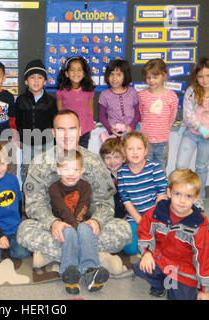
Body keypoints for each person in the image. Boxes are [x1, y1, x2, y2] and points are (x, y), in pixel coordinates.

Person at [17, 110, 132, 275]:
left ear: (79, 131)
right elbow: (34, 205)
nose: (66, 135)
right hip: (57, 228)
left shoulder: (94, 162)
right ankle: (97, 257)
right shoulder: (40, 163)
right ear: (53, 132)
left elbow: (105, 202)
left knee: (124, 229)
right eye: (61, 129)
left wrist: (97, 221)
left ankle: (53, 256)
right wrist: (53, 223)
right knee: (24, 230)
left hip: (89, 227)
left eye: (71, 129)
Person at [132, 168, 209, 300]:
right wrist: (147, 252)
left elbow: (205, 259)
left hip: (183, 270)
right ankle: (160, 284)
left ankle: (172, 284)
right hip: (161, 259)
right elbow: (145, 231)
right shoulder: (157, 212)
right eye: (177, 194)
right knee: (140, 268)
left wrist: (204, 289)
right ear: (169, 192)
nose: (182, 200)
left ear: (196, 198)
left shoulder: (198, 228)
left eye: (188, 196)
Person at [49, 150, 109, 294]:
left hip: (82, 221)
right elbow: (62, 209)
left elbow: (83, 206)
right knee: (69, 232)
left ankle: (90, 270)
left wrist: (79, 226)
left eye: (75, 169)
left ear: (82, 170)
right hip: (63, 223)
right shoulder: (54, 188)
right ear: (58, 170)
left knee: (85, 228)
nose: (71, 174)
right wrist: (73, 227)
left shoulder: (85, 186)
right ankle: (69, 272)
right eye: (66, 169)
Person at [175, 57, 209, 212]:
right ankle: (180, 196)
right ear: (195, 77)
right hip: (191, 134)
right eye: (200, 76)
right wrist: (203, 130)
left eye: (208, 75)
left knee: (202, 168)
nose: (204, 80)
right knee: (180, 166)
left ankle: (199, 198)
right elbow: (188, 114)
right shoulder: (192, 92)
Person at [117, 132, 168, 255]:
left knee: (167, 241)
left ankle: (154, 246)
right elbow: (126, 201)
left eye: (139, 148)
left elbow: (162, 195)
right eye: (130, 148)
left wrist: (152, 220)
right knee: (130, 249)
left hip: (156, 216)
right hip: (135, 218)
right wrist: (141, 221)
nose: (135, 152)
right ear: (124, 151)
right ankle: (150, 245)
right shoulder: (122, 173)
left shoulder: (155, 168)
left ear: (145, 151)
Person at [16, 59, 57, 183]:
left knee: (47, 169)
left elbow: (55, 122)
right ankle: (28, 198)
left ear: (45, 81)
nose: (36, 81)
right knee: (27, 169)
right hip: (28, 142)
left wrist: (54, 141)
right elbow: (18, 121)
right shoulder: (21, 100)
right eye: (32, 77)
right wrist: (21, 138)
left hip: (47, 142)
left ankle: (45, 198)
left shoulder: (50, 101)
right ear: (26, 81)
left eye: (40, 78)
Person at [138, 58, 178, 170]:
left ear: (164, 76)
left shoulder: (172, 96)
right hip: (146, 141)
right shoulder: (142, 95)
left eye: (155, 77)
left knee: (161, 170)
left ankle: (160, 188)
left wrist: (162, 130)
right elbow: (141, 114)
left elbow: (172, 117)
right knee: (145, 170)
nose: (151, 80)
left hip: (162, 142)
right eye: (148, 77)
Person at [56, 56, 95, 149]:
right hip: (67, 131)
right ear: (66, 73)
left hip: (84, 130)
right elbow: (59, 112)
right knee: (67, 156)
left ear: (84, 73)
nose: (76, 73)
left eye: (79, 70)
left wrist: (89, 129)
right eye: (72, 70)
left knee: (82, 156)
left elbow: (90, 111)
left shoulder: (89, 90)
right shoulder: (61, 91)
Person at [98, 59, 140, 142]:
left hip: (131, 132)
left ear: (125, 76)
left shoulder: (132, 92)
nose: (114, 78)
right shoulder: (104, 95)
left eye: (118, 75)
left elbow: (138, 113)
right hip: (114, 133)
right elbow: (101, 116)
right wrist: (110, 128)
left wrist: (131, 126)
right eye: (111, 74)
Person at [99, 138, 128, 219]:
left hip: (129, 216)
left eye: (116, 157)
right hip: (110, 217)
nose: (112, 161)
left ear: (124, 158)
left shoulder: (128, 176)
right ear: (103, 160)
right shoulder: (103, 177)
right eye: (108, 157)